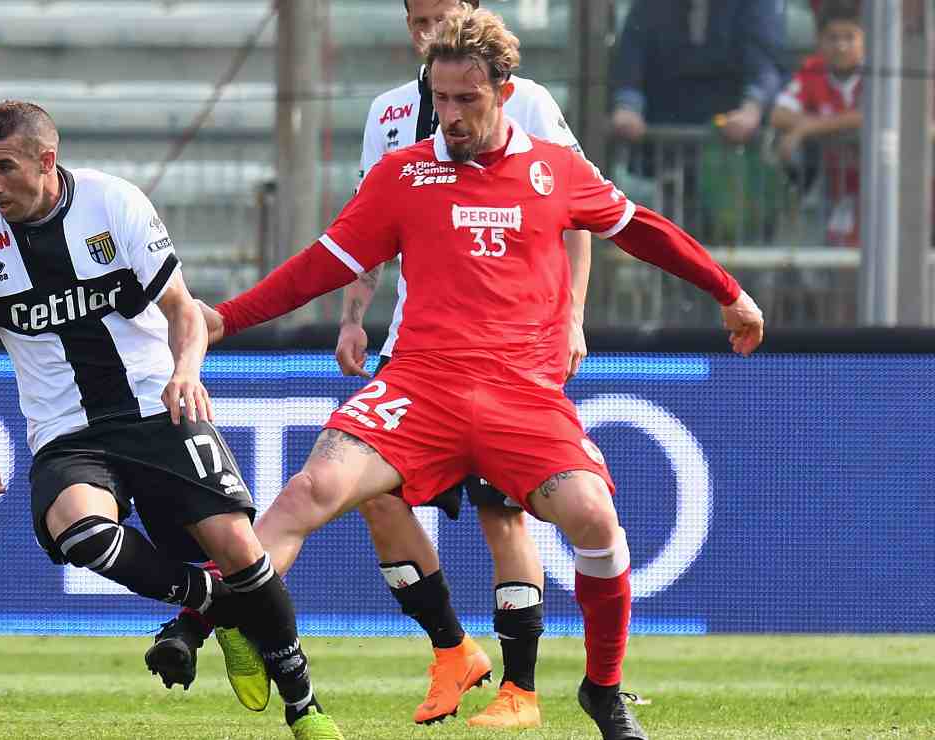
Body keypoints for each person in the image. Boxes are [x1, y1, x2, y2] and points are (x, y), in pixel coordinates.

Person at [200, 8, 765, 739]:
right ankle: (240, 612)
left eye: (468, 99)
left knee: (595, 518)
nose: (452, 115)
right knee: (312, 489)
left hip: (522, 394)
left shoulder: (554, 170)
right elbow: (324, 262)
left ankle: (604, 688)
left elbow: (643, 229)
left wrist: (729, 291)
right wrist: (225, 320)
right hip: (419, 386)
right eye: (441, 99)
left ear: (505, 89)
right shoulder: (404, 174)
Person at [0, 100, 342, 740]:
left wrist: (186, 370)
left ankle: (304, 705)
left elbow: (183, 309)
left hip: (158, 404)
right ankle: (214, 603)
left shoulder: (114, 205)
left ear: (47, 159)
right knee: (78, 528)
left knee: (240, 546)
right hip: (68, 433)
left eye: (3, 167)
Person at [338, 0, 591, 728]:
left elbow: (580, 213)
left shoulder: (528, 100)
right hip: (414, 343)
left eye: (439, 15)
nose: (426, 31)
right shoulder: (389, 112)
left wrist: (570, 316)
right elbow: (367, 228)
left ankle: (521, 689)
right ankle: (453, 650)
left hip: (507, 344)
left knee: (500, 512)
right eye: (417, 19)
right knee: (374, 493)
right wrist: (355, 316)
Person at [609, 0, 786, 145]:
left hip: (728, 135)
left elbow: (764, 61)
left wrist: (752, 108)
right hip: (662, 132)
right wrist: (628, 107)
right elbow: (632, 53)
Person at [770, 0, 864, 246]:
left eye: (849, 37)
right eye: (833, 38)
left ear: (864, 40)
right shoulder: (813, 69)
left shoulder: (876, 73)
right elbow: (779, 114)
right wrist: (832, 124)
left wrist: (807, 127)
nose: (841, 46)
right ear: (820, 41)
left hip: (879, 187)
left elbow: (868, 118)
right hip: (832, 190)